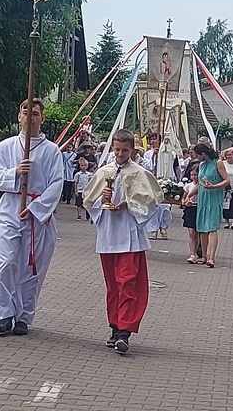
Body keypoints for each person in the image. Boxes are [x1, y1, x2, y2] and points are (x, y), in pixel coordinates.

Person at [81, 129, 163, 354]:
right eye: (117, 149)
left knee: (127, 282)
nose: (120, 154)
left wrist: (128, 204)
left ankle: (124, 331)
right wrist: (103, 200)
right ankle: (115, 326)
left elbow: (152, 202)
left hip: (129, 236)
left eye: (124, 150)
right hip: (108, 234)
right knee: (113, 285)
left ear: (132, 151)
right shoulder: (104, 171)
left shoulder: (140, 173)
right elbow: (89, 200)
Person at [0, 99, 63, 336]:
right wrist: (16, 173)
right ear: (19, 116)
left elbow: (57, 183)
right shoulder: (7, 146)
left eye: (36, 113)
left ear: (42, 118)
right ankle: (4, 313)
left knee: (31, 269)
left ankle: (24, 316)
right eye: (26, 112)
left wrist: (37, 208)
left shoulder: (51, 151)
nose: (30, 117)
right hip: (10, 208)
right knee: (4, 261)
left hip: (36, 214)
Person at [195, 143, 229, 268]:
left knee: (212, 228)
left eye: (198, 155)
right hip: (203, 200)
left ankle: (211, 257)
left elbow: (226, 180)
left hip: (214, 199)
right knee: (203, 229)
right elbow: (199, 184)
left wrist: (214, 186)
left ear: (203, 154)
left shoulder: (218, 163)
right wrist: (187, 195)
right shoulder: (202, 165)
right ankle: (204, 256)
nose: (196, 157)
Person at [181, 166, 200, 264]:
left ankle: (197, 251)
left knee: (198, 233)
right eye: (192, 175)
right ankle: (192, 254)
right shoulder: (188, 186)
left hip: (199, 208)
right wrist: (185, 202)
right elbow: (183, 199)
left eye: (196, 175)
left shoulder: (202, 185)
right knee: (192, 233)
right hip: (190, 210)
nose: (194, 177)